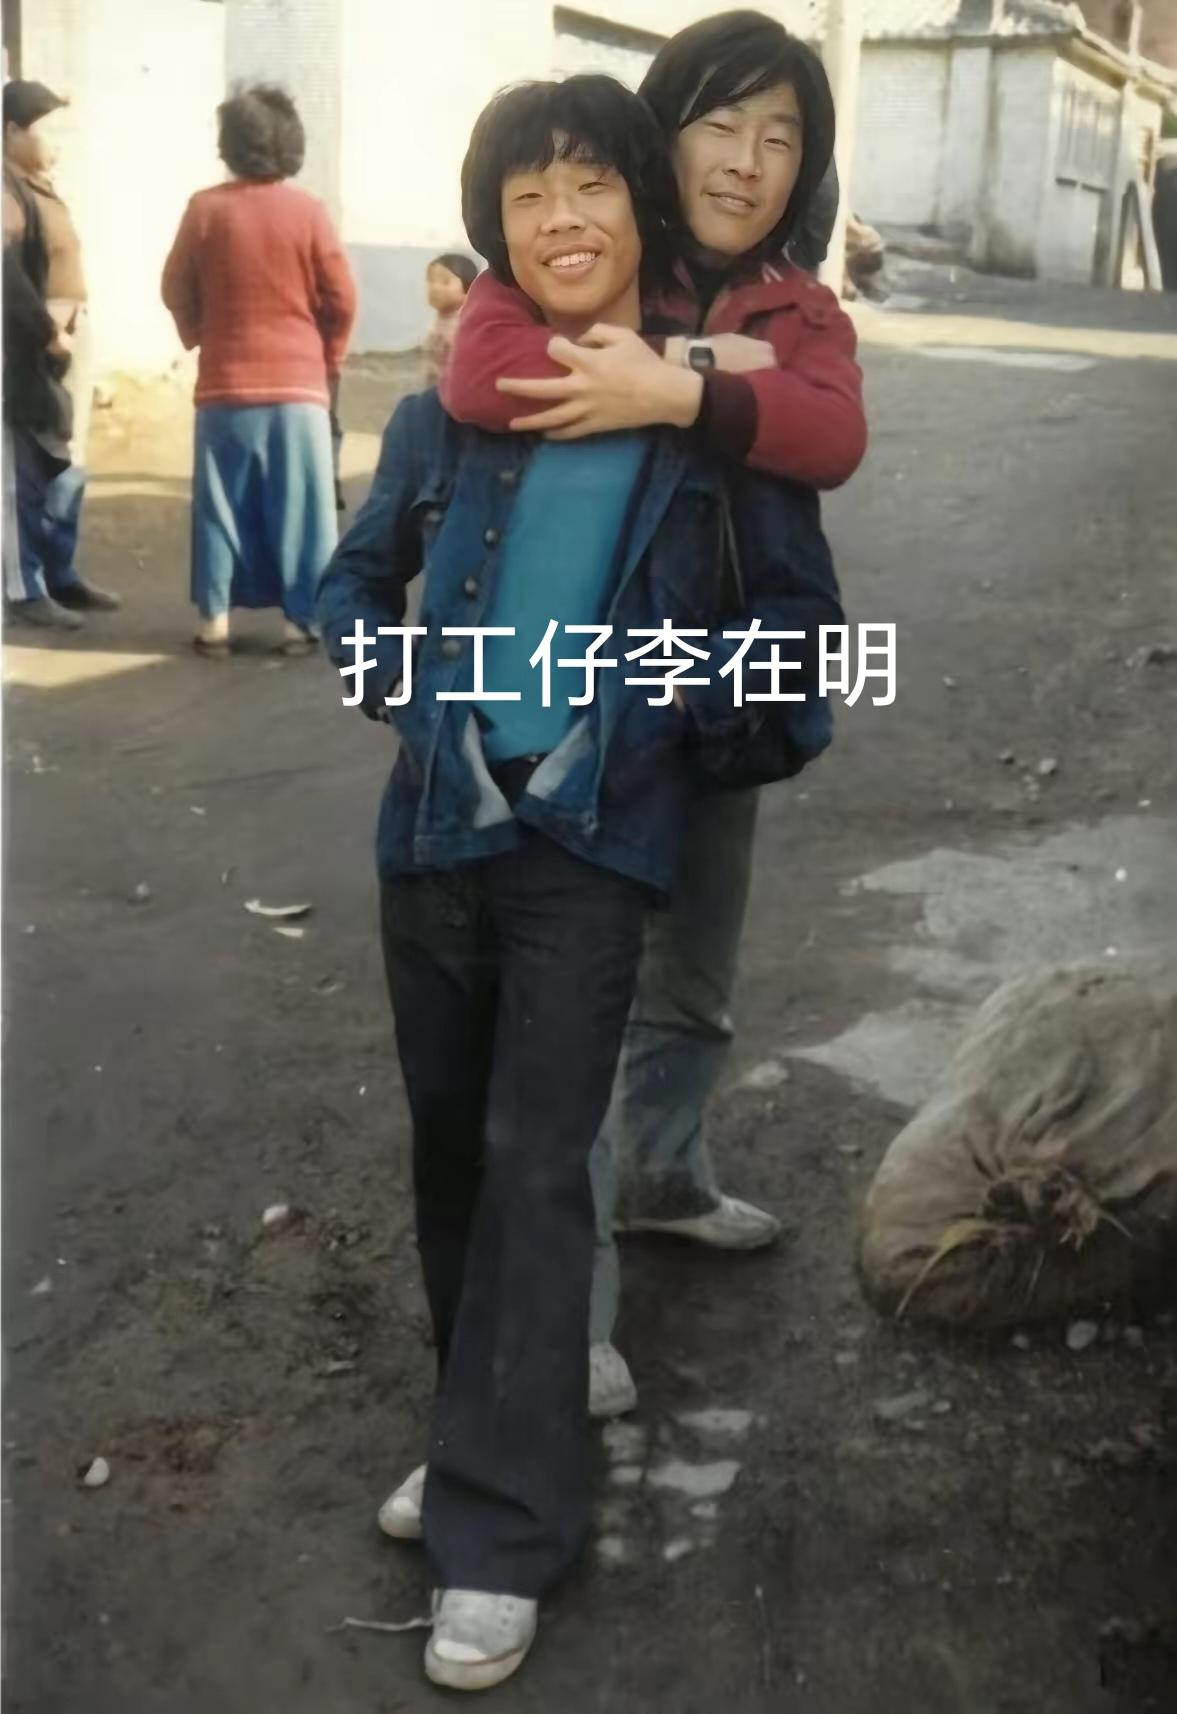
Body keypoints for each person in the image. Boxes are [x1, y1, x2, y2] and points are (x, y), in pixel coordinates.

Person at [318, 73, 842, 1692]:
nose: (562, 218)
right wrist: (411, 694)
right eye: (527, 195)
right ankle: (480, 1436)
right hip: (436, 837)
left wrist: (658, 719)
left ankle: (503, 1528)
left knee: (540, 1167)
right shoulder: (448, 411)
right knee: (451, 1166)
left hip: (590, 853)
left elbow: (803, 637)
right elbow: (349, 583)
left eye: (591, 185)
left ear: (638, 205)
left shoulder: (704, 428)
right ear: (496, 229)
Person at [439, 9, 866, 1416]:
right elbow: (477, 369)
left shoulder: (798, 308)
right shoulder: (600, 253)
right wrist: (695, 377)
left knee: (697, 968)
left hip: (729, 686)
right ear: (660, 134)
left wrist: (683, 386)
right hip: (594, 698)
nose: (746, 160)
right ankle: (567, 1313)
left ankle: (667, 1174)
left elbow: (833, 433)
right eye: (718, 125)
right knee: (577, 996)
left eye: (780, 138)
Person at [161, 84, 357, 657]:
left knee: (221, 505)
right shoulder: (308, 212)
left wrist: (202, 334)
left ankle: (215, 622)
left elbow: (174, 286)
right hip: (299, 386)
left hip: (224, 384)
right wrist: (329, 357)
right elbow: (342, 297)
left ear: (229, 143)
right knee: (303, 509)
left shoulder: (205, 208)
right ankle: (301, 623)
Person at [3, 80, 120, 629]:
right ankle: (25, 589)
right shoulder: (6, 192)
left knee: (67, 462)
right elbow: (7, 276)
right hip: (32, 348)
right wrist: (46, 329)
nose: (58, 143)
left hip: (66, 341)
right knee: (24, 471)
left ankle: (60, 573)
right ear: (12, 132)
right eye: (46, 131)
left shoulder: (37, 185)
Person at [420, 251, 479, 386]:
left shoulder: (464, 326)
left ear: (469, 289)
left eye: (445, 282)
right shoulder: (439, 321)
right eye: (430, 280)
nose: (434, 287)